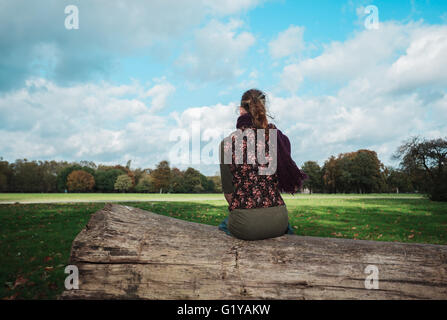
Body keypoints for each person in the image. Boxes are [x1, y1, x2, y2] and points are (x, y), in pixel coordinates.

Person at [218, 88, 308, 241]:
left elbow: (229, 194)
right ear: (262, 109)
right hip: (279, 218)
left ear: (240, 110)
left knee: (223, 225)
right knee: (286, 229)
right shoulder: (275, 137)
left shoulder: (227, 143)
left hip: (246, 224)